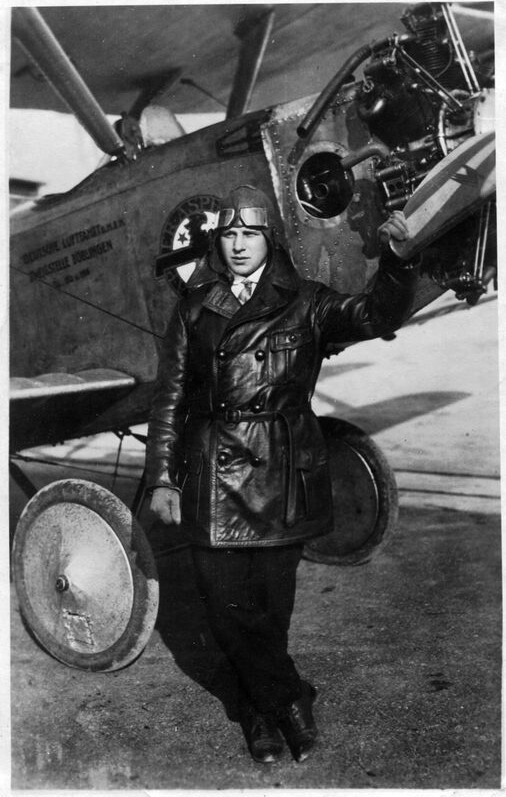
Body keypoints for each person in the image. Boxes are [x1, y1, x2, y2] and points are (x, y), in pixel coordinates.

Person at [145, 184, 417, 764]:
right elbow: (169, 399)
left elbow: (375, 313)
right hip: (214, 475)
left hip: (281, 472)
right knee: (224, 607)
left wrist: (395, 261)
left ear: (269, 240)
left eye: (250, 234)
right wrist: (163, 478)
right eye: (230, 235)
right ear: (217, 242)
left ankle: (257, 714)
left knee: (270, 608)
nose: (239, 245)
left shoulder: (307, 301)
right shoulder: (193, 308)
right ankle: (288, 699)